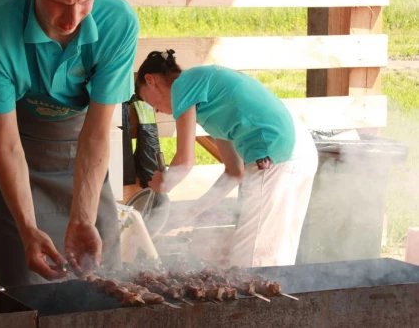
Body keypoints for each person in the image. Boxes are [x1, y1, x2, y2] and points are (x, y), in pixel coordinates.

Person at [0, 0, 139, 287]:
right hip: (19, 149)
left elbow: (96, 135)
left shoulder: (118, 21)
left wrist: (83, 218)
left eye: (85, 1)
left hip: (82, 144)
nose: (73, 18)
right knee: (24, 283)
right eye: (59, 2)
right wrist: (28, 229)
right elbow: (7, 144)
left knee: (104, 282)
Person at [136, 49, 318, 267]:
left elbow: (184, 162)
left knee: (250, 262)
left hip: (274, 153)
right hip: (299, 150)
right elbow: (234, 173)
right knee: (277, 253)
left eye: (149, 101)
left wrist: (160, 185)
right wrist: (191, 211)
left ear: (151, 80)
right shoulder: (211, 101)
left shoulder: (183, 84)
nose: (156, 110)